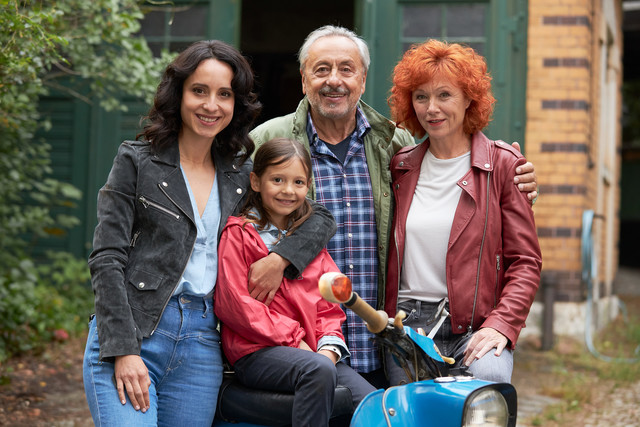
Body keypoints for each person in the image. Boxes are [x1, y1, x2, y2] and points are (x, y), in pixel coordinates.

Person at [249, 25, 538, 386]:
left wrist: (518, 182)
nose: (333, 80)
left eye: (346, 69)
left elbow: (521, 255)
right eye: (321, 69)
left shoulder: (393, 146)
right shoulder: (268, 142)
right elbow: (236, 225)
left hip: (391, 335)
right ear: (304, 80)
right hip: (318, 336)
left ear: (363, 80)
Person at [82, 40, 336, 426]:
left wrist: (280, 258)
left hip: (202, 345)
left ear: (236, 104)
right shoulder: (137, 161)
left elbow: (318, 218)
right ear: (179, 94)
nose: (211, 105)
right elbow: (107, 258)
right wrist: (123, 349)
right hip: (138, 330)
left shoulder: (239, 175)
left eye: (224, 94)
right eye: (199, 91)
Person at [384, 39, 542, 385]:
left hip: (475, 326)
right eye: (421, 96)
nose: (431, 108)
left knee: (487, 393)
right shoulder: (400, 167)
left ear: (469, 98)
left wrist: (502, 324)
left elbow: (526, 261)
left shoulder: (501, 165)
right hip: (407, 327)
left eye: (445, 95)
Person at [214, 137, 376, 427]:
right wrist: (297, 342)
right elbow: (234, 305)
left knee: (377, 405)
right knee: (317, 371)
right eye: (277, 179)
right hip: (256, 351)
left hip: (313, 353)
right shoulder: (239, 234)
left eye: (298, 182)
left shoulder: (309, 242)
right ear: (255, 181)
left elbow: (329, 306)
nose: (288, 190)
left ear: (308, 186)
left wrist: (328, 349)